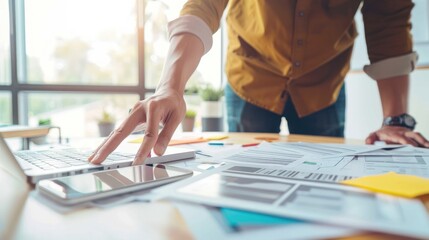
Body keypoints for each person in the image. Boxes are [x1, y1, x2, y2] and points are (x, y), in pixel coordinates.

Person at [88, 0, 429, 165]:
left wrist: (394, 120)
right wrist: (169, 86)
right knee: (240, 179)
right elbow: (204, 5)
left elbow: (389, 20)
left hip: (323, 85)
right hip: (250, 79)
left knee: (327, 182)